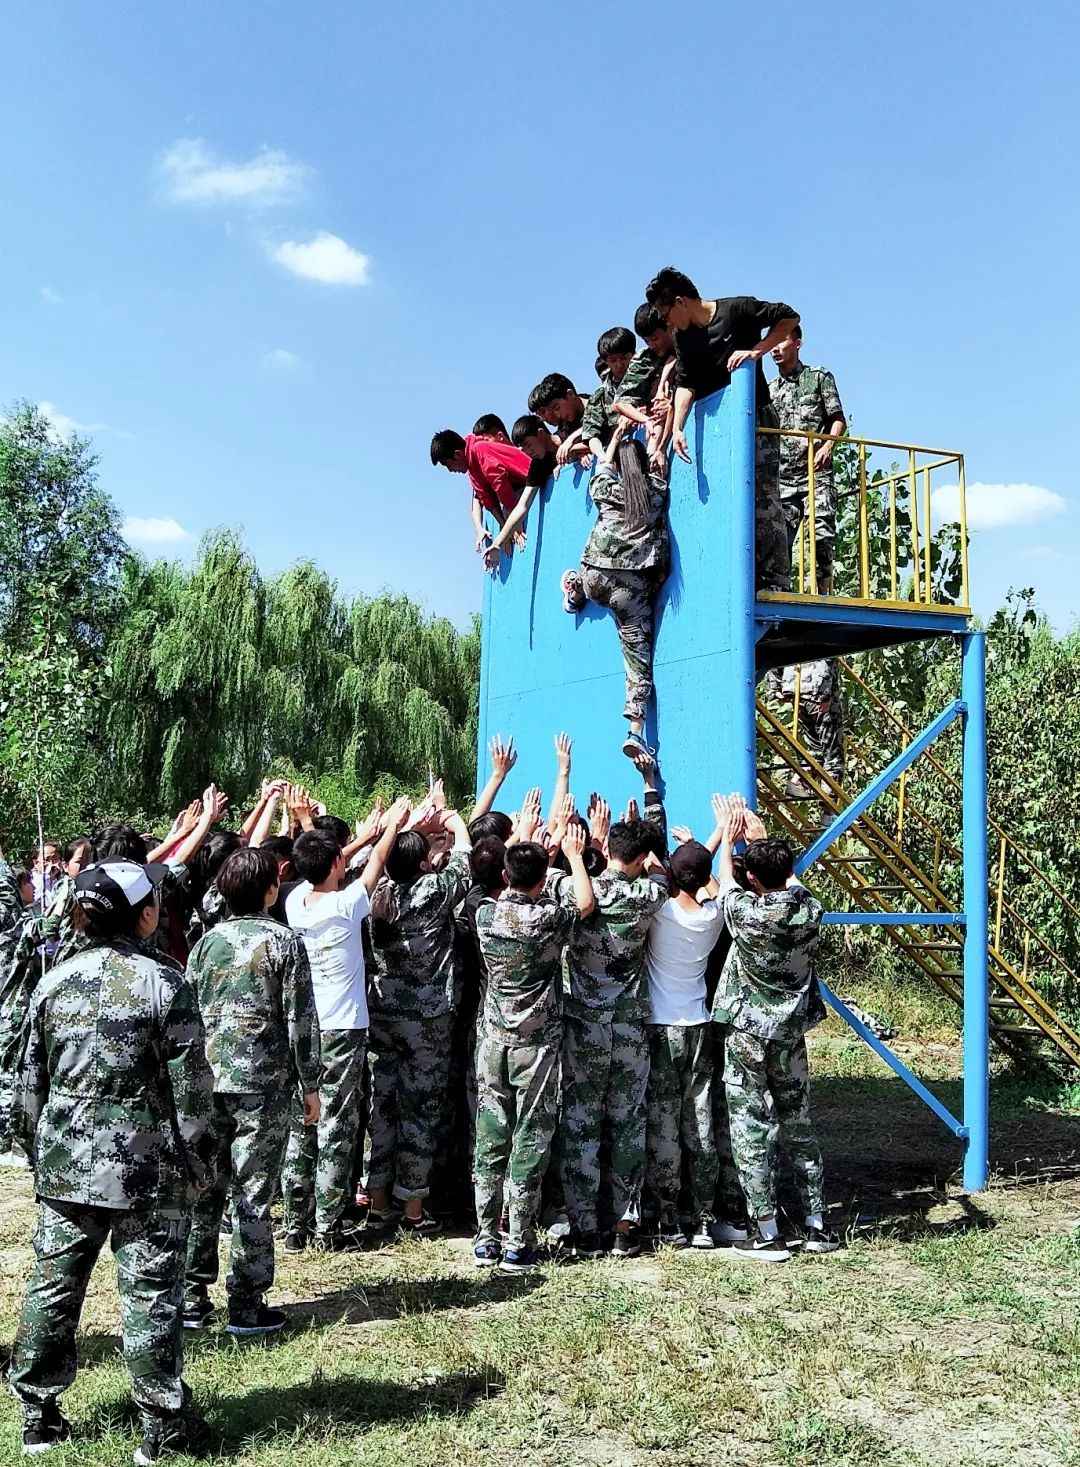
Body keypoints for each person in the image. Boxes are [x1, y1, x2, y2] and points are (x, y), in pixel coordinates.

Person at [9, 860, 214, 1462]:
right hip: (150, 1171)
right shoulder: (166, 983)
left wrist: (36, 1152)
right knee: (151, 1294)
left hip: (65, 1164)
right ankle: (160, 1426)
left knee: (53, 1286)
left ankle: (37, 1418)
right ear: (145, 915)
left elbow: (29, 1082)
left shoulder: (54, 982)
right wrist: (201, 1164)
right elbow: (193, 1093)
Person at [183, 846, 321, 1335]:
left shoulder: (205, 944)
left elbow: (188, 1018)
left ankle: (192, 1298)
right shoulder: (284, 943)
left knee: (204, 1190)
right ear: (269, 891)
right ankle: (246, 1303)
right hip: (261, 1086)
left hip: (206, 1081)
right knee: (254, 1189)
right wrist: (312, 1083)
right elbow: (301, 1020)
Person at [711, 796, 839, 1260]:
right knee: (798, 1124)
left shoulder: (745, 912)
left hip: (748, 1032)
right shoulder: (810, 911)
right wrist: (761, 836)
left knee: (751, 1126)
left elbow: (724, 877)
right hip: (790, 1036)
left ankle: (766, 1229)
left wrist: (728, 834)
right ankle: (816, 1223)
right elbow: (793, 884)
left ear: (752, 878)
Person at [281, 797, 411, 1250]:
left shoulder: (296, 902)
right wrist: (389, 826)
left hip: (303, 1027)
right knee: (337, 1123)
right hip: (343, 1026)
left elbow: (328, 862)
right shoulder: (348, 905)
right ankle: (327, 1226)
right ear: (338, 862)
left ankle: (295, 1222)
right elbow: (374, 862)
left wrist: (333, 835)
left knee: (304, 1119)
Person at [557, 758, 668, 1258]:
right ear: (640, 858)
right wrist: (646, 805)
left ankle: (583, 1228)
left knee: (581, 1122)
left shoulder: (582, 891)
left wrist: (584, 854)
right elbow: (663, 864)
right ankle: (625, 1225)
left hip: (584, 1024)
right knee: (627, 1123)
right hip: (629, 1029)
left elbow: (566, 880)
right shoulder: (650, 893)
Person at [473, 821, 595, 1273]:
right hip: (537, 1045)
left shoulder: (485, 915)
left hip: (493, 1040)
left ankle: (485, 1235)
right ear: (544, 880)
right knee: (530, 1137)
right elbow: (584, 902)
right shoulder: (547, 918)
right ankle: (518, 1242)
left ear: (505, 876)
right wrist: (575, 854)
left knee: (491, 1136)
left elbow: (507, 874)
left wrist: (525, 843)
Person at [644, 266, 798, 593]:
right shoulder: (684, 338)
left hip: (757, 419)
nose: (667, 322)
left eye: (666, 313)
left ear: (681, 301)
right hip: (720, 427)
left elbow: (789, 316)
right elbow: (685, 385)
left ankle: (776, 583)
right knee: (730, 501)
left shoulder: (736, 310)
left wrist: (757, 351)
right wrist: (679, 428)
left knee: (763, 499)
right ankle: (743, 579)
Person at [366, 805, 474, 1234]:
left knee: (384, 1107)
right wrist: (455, 823)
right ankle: (413, 1210)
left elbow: (372, 858)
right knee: (421, 1112)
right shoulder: (433, 890)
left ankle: (376, 1202)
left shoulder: (375, 892)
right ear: (423, 863)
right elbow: (465, 863)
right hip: (427, 1020)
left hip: (382, 1016)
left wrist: (401, 828)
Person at [644, 833, 724, 1249]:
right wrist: (708, 841)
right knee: (701, 1123)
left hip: (661, 1027)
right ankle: (705, 1218)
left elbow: (656, 877)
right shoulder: (715, 917)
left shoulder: (659, 912)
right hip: (699, 1024)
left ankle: (669, 1218)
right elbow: (717, 886)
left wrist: (664, 860)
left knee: (665, 1126)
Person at [769, 326, 847, 592]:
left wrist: (828, 447)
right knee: (777, 542)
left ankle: (824, 593)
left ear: (798, 343)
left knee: (822, 534)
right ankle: (782, 593)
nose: (775, 348)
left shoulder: (817, 378)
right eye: (772, 344)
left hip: (816, 473)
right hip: (783, 479)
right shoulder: (768, 391)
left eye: (781, 341)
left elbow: (837, 420)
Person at [429, 428, 531, 561]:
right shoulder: (471, 470)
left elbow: (500, 482)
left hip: (532, 482)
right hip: (519, 494)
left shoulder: (480, 449)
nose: (450, 470)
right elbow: (487, 501)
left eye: (448, 465)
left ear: (457, 454)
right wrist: (505, 527)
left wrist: (514, 521)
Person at [614, 305, 677, 471]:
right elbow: (620, 402)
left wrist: (672, 403)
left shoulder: (689, 343)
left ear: (670, 327)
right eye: (646, 341)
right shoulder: (645, 358)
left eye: (655, 338)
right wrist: (646, 420)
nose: (652, 345)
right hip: (657, 428)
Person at [780, 658, 845, 794]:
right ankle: (829, 807)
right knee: (833, 754)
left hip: (796, 692)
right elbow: (829, 656)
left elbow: (773, 659)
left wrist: (775, 688)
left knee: (816, 748)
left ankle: (796, 782)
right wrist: (826, 696)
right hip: (818, 692)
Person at [526, 374, 591, 466]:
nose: (557, 414)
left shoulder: (595, 405)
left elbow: (598, 434)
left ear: (570, 395)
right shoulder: (566, 426)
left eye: (556, 408)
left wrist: (571, 443)